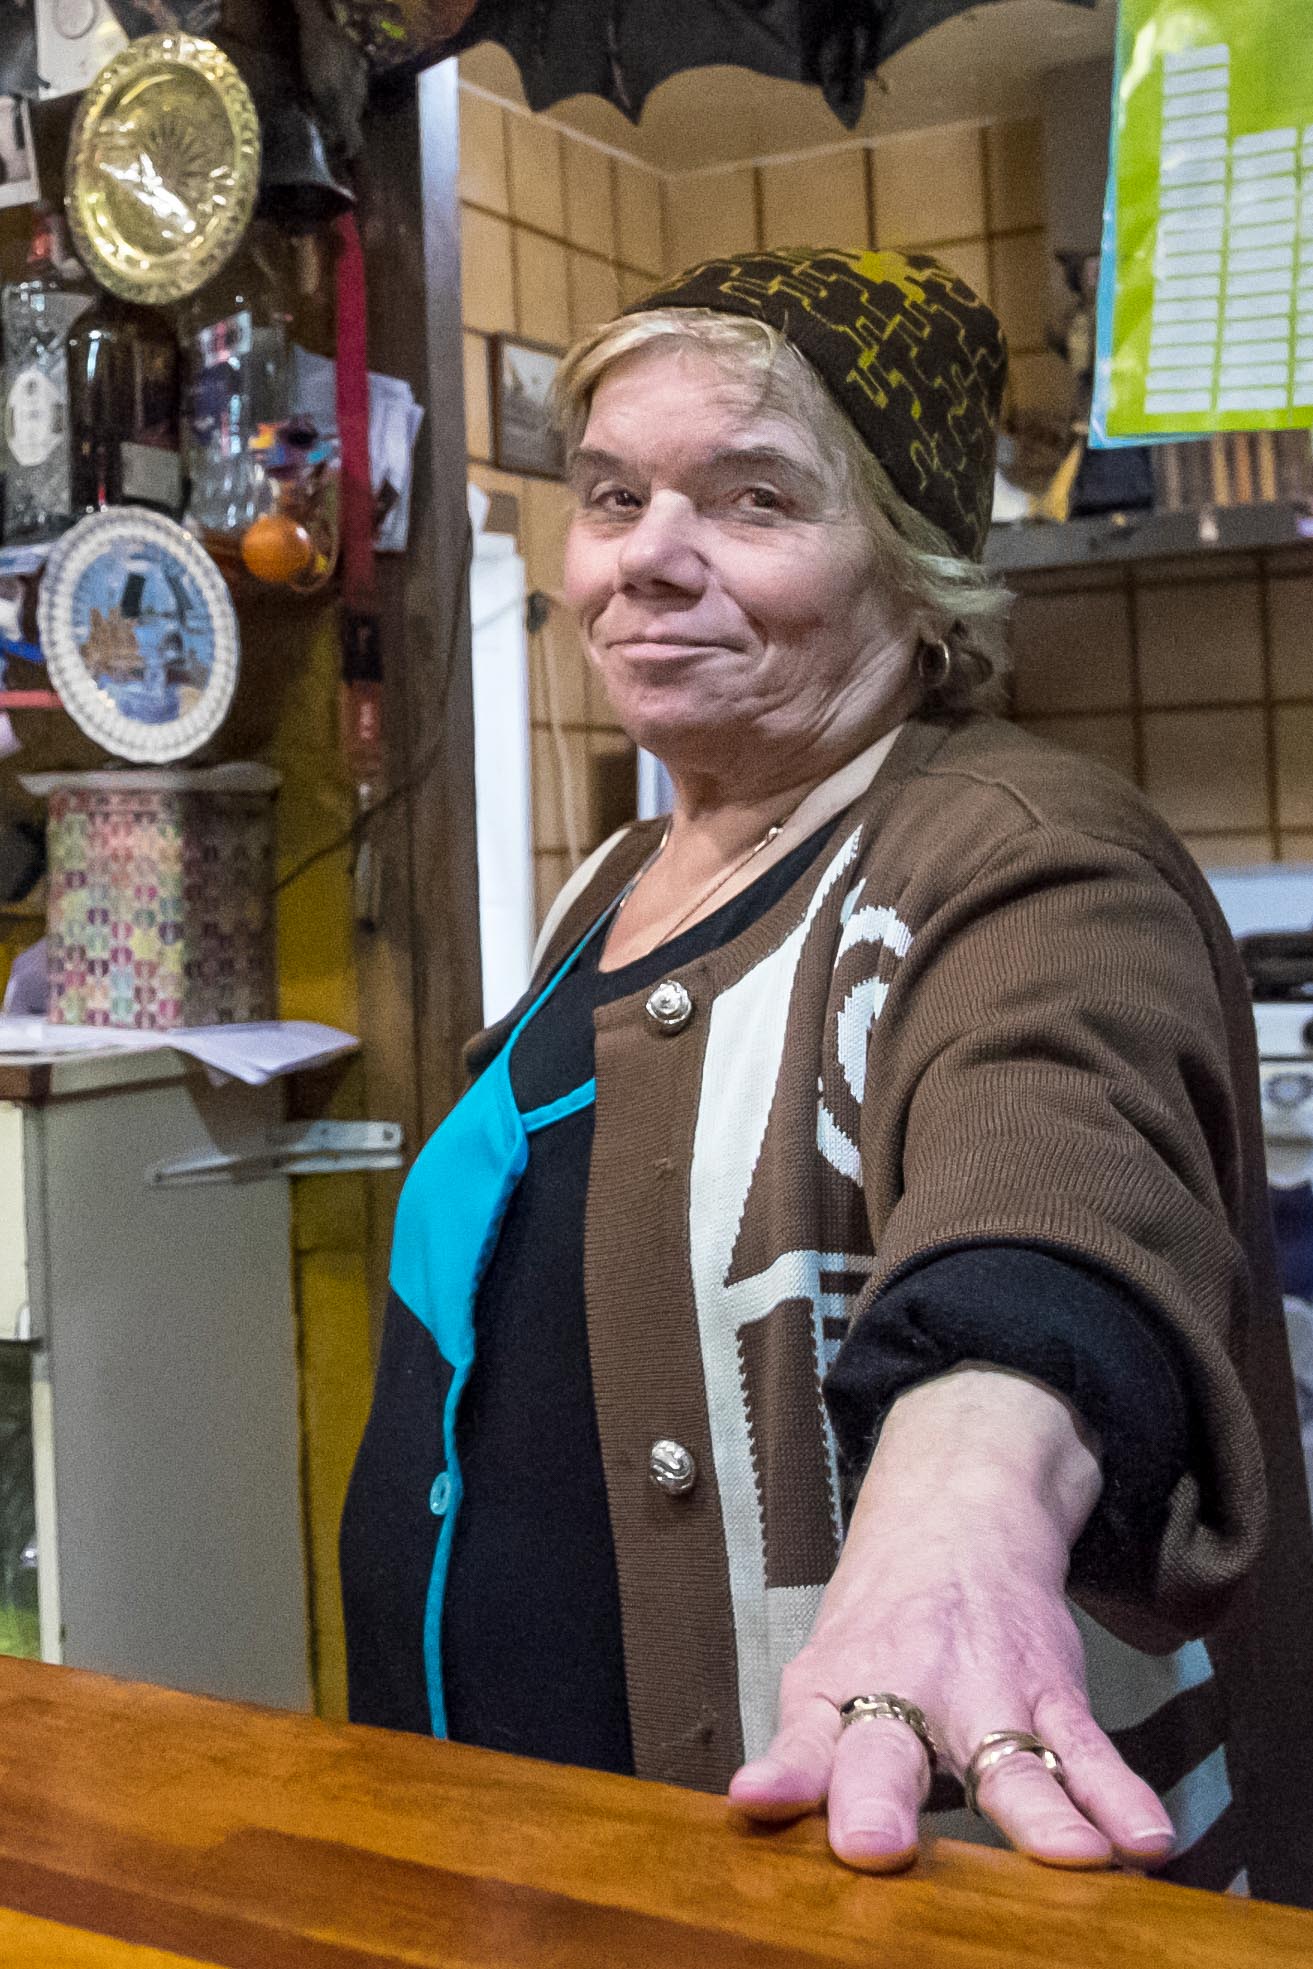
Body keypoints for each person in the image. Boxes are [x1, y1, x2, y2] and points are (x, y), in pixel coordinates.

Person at [340, 247, 1313, 1903]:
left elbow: (1049, 1183)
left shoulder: (1019, 854)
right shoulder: (618, 880)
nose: (648, 556)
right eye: (613, 494)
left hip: (853, 1879)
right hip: (520, 1856)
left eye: (753, 498)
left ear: (914, 568)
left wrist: (961, 1511)